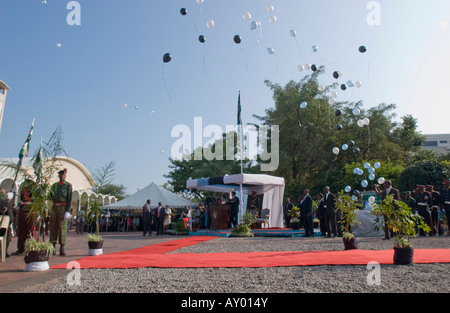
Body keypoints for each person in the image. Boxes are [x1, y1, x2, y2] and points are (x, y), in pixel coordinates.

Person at [49, 168, 72, 256]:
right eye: (61, 175)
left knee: (62, 228)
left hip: (63, 208)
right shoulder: (54, 186)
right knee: (53, 227)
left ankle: (62, 246)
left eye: (64, 174)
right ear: (58, 176)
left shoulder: (68, 186)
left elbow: (69, 199)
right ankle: (52, 246)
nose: (62, 176)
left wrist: (68, 211)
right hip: (54, 208)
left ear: (65, 176)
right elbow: (49, 198)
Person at [11, 179, 36, 256]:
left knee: (30, 231)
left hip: (30, 211)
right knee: (21, 231)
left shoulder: (35, 190)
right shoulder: (23, 189)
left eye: (29, 181)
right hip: (23, 210)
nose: (28, 183)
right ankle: (20, 248)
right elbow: (21, 200)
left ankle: (29, 248)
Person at [0, 188, 13, 258]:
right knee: (7, 233)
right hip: (2, 227)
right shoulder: (6, 202)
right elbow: (10, 217)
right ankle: (3, 252)